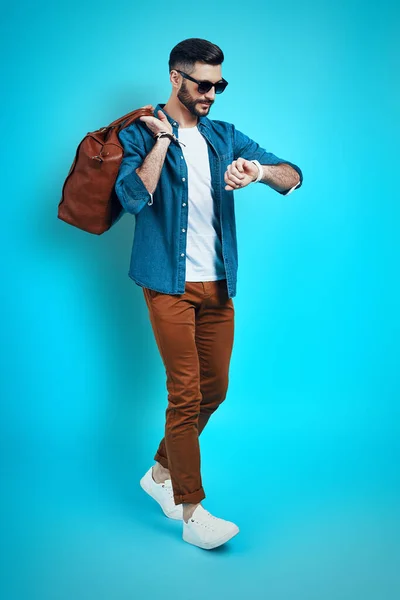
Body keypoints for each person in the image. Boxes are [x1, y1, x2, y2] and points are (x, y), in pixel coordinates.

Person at [115, 37, 303, 550]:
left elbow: (293, 176)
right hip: (166, 284)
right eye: (203, 84)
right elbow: (132, 198)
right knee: (185, 391)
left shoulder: (224, 135)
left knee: (214, 389)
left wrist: (258, 172)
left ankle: (158, 473)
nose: (212, 94)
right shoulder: (140, 130)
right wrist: (160, 142)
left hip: (217, 284)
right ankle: (191, 511)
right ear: (175, 78)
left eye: (219, 84)